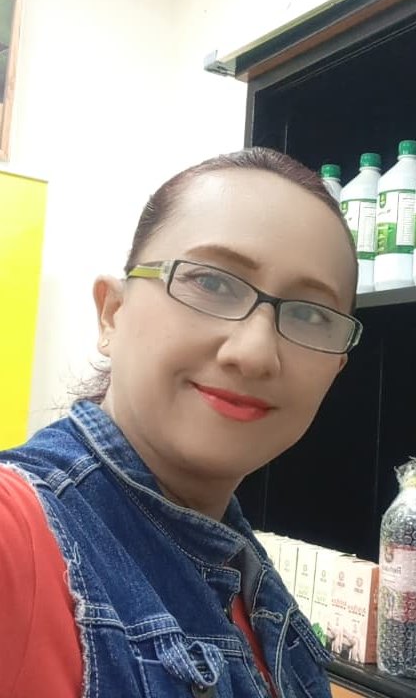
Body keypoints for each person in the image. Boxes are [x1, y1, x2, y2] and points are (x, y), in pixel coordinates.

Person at [0, 147, 363, 698]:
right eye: (212, 283)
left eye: (310, 314)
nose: (255, 353)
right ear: (112, 313)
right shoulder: (18, 536)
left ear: (336, 370)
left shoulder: (248, 584)